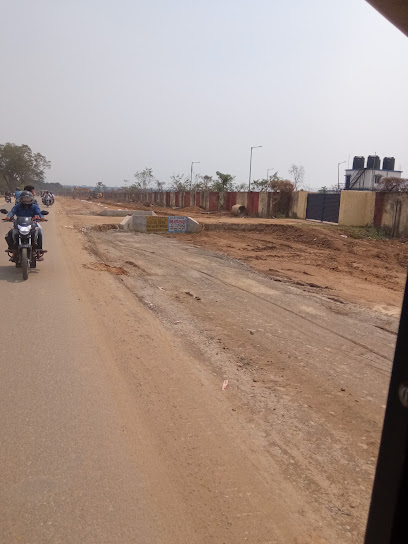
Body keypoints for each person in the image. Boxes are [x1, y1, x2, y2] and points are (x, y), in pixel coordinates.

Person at [4, 191, 46, 261]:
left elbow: (39, 212)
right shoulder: (18, 206)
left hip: (31, 224)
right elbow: (12, 212)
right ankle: (14, 252)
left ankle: (38, 252)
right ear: (21, 199)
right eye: (25, 198)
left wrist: (41, 217)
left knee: (39, 232)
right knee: (9, 234)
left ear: (31, 199)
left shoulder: (34, 206)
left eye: (28, 198)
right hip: (18, 224)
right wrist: (8, 216)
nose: (26, 200)